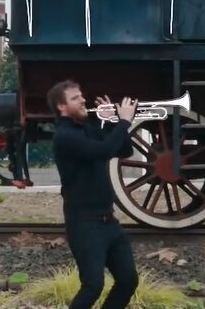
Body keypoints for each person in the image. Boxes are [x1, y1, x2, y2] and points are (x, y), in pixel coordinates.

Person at [50, 79, 139, 309]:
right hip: (84, 224)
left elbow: (123, 149)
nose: (83, 100)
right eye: (75, 98)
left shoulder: (86, 130)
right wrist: (125, 121)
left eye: (81, 95)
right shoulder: (65, 136)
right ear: (62, 107)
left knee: (128, 280)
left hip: (108, 221)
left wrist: (112, 122)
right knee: (93, 285)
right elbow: (103, 151)